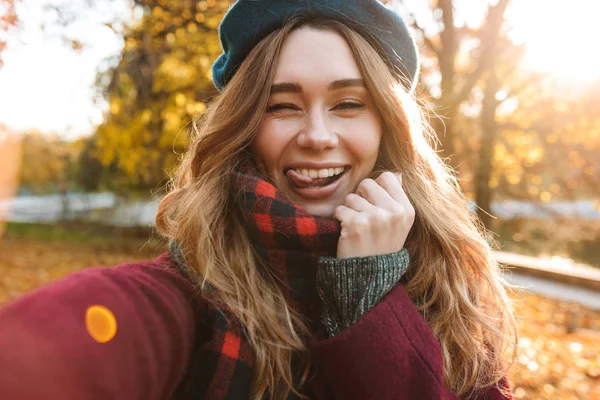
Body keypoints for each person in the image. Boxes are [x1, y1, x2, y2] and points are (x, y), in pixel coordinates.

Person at [0, 1, 517, 399]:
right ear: (244, 125)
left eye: (348, 104)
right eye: (282, 105)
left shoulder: (451, 279)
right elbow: (118, 321)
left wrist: (370, 291)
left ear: (386, 123)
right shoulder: (195, 289)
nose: (317, 135)